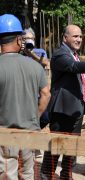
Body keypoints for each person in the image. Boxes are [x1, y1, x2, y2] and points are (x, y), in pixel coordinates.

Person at [40, 24, 85, 179]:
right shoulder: (60, 55)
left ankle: (66, 174)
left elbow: (81, 75)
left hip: (76, 109)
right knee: (57, 144)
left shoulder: (75, 55)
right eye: (75, 36)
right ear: (65, 38)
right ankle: (47, 173)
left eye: (80, 36)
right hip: (62, 109)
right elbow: (74, 67)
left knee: (72, 147)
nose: (79, 39)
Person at [0, 14, 50, 180]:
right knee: (28, 174)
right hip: (30, 133)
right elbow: (45, 94)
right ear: (18, 39)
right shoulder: (34, 66)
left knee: (8, 175)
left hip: (4, 135)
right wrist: (34, 118)